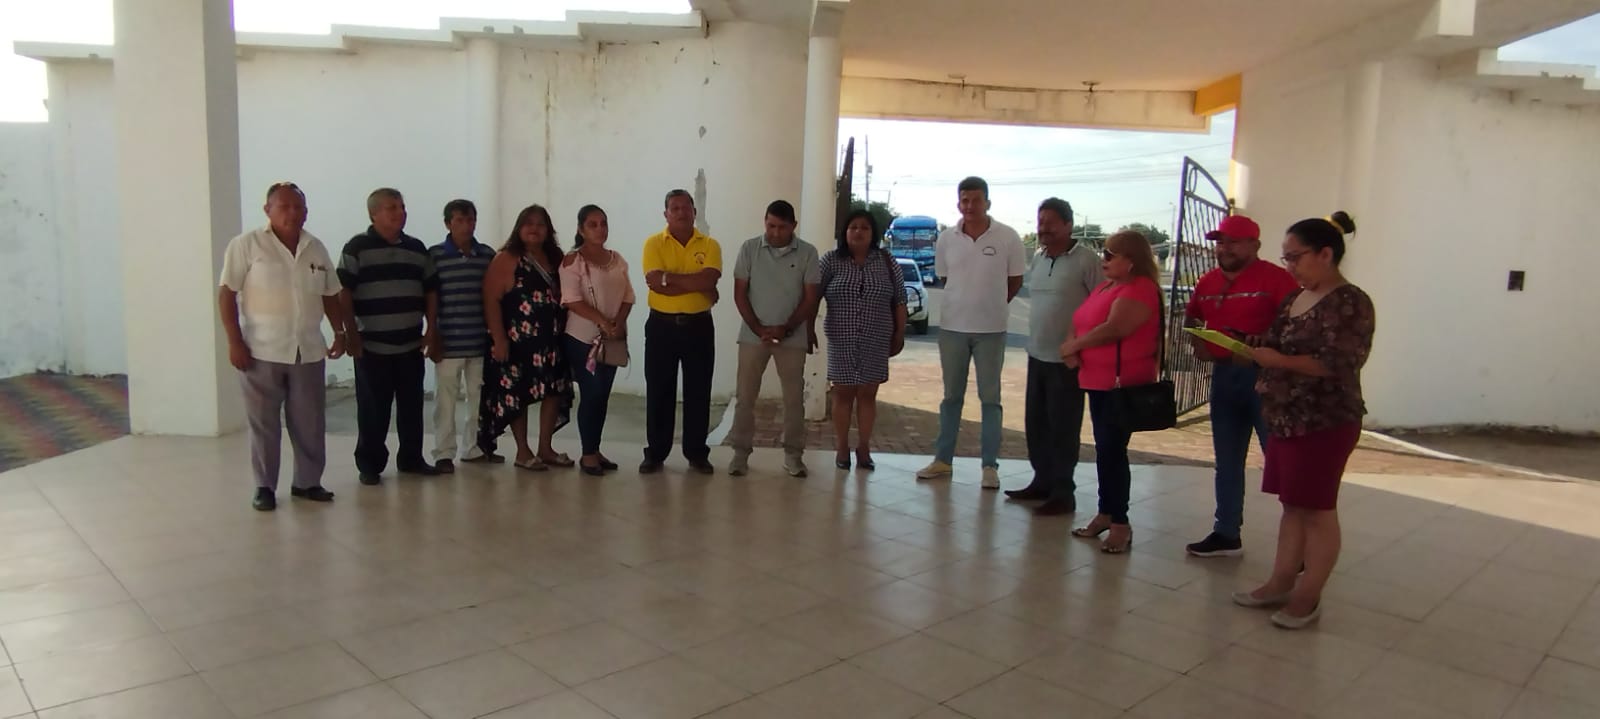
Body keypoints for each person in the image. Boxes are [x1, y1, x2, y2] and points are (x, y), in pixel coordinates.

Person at [1234, 212, 1373, 630]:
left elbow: (1338, 362)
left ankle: (1308, 597)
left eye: (1296, 257)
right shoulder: (1295, 298)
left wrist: (1279, 361)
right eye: (1286, 258)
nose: (1290, 266)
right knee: (1292, 505)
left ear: (1325, 254)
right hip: (1286, 417)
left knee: (1317, 509)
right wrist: (1250, 347)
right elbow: (1277, 343)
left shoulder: (1350, 302)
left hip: (1324, 421)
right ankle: (1280, 582)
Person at [219, 181, 350, 511]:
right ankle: (264, 486)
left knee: (310, 422)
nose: (293, 213)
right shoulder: (246, 245)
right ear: (268, 210)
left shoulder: (315, 247)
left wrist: (340, 331)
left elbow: (330, 293)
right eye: (285, 207)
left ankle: (307, 482)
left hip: (308, 350)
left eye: (299, 207)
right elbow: (226, 294)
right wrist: (234, 341)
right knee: (264, 424)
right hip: (260, 351)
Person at [1183, 214, 1301, 557]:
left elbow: (1297, 326)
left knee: (1280, 462)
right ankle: (1226, 532)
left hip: (1267, 380)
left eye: (1233, 242)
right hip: (1224, 377)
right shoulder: (1207, 281)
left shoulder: (1276, 278)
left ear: (1255, 245)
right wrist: (1198, 343)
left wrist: (1267, 341)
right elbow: (1192, 316)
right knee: (1227, 461)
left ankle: (1301, 543)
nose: (1225, 248)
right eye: (1220, 242)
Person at [916, 177, 1027, 489]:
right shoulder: (946, 239)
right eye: (965, 200)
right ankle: (943, 460)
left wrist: (991, 305)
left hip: (991, 330)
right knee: (951, 398)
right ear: (958, 203)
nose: (970, 206)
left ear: (987, 203)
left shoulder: (1008, 237)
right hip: (952, 329)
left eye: (976, 200)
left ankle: (990, 466)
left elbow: (1015, 281)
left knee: (990, 399)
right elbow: (945, 278)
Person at [1059, 230, 1163, 554]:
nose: (1102, 259)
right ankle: (1106, 512)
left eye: (1109, 254)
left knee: (1113, 450)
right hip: (1096, 380)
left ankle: (1120, 522)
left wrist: (1075, 345)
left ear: (1130, 261)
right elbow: (1081, 318)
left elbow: (1116, 328)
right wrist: (1072, 345)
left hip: (1121, 384)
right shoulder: (1107, 286)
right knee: (1105, 450)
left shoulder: (1140, 289)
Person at [338, 188, 442, 485]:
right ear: (373, 214)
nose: (400, 212)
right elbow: (343, 291)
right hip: (371, 346)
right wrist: (350, 332)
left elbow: (430, 290)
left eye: (402, 206)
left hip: (410, 344)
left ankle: (411, 459)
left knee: (412, 407)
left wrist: (431, 329)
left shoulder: (416, 248)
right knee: (373, 409)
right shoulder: (357, 248)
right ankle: (370, 465)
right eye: (391, 208)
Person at [1006, 198, 1101, 516]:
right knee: (1036, 424)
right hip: (1037, 355)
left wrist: (1080, 346)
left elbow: (1102, 305)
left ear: (1068, 225)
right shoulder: (1038, 257)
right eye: (1040, 221)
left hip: (1067, 361)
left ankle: (1063, 492)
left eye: (1050, 222)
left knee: (1063, 428)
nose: (1043, 228)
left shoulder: (1086, 260)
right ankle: (1042, 482)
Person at [728, 200, 821, 478]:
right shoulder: (749, 249)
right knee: (745, 397)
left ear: (794, 226)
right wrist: (758, 328)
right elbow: (739, 293)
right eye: (770, 225)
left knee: (793, 400)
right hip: (752, 336)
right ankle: (740, 454)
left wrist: (787, 328)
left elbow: (810, 297)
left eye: (782, 227)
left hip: (792, 337)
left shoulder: (808, 253)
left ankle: (793, 456)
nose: (775, 232)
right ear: (764, 222)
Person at [476, 204, 573, 470]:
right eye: (529, 223)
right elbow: (491, 300)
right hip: (517, 342)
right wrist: (499, 339)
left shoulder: (555, 258)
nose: (534, 229)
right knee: (517, 395)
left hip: (551, 342)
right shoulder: (506, 258)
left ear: (548, 230)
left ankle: (545, 448)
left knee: (553, 391)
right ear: (519, 228)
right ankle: (523, 451)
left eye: (540, 224)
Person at [640, 190, 723, 475]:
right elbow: (654, 283)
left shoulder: (710, 245)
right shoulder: (653, 243)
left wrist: (669, 279)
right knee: (659, 390)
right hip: (661, 327)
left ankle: (697, 453)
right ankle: (655, 453)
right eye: (674, 208)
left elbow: (709, 279)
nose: (681, 212)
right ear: (666, 214)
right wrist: (698, 284)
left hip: (699, 327)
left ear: (694, 212)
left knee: (698, 391)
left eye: (686, 207)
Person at [820, 209, 907, 471]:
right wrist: (807, 327)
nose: (858, 232)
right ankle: (842, 448)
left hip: (876, 338)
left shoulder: (887, 261)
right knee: (842, 394)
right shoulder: (831, 261)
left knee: (868, 395)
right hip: (841, 339)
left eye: (865, 228)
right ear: (845, 232)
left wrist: (899, 334)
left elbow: (900, 300)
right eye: (853, 227)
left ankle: (864, 448)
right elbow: (812, 294)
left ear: (873, 234)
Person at [560, 205, 635, 476]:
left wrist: (617, 323)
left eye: (603, 223)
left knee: (602, 396)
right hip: (582, 339)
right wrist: (602, 321)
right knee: (591, 394)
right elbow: (572, 300)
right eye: (593, 224)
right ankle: (587, 454)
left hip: (611, 340)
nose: (600, 229)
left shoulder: (617, 260)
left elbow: (628, 296)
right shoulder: (573, 261)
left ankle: (595, 447)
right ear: (581, 229)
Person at [427, 199, 497, 473]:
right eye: (460, 220)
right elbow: (429, 297)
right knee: (445, 401)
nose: (467, 226)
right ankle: (444, 452)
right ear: (448, 223)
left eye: (471, 220)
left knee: (479, 398)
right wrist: (432, 333)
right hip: (448, 342)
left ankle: (474, 448)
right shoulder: (435, 256)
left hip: (479, 340)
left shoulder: (487, 255)